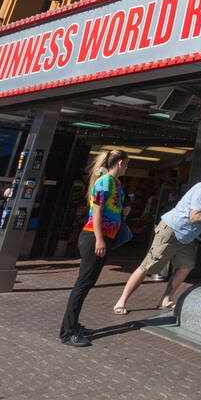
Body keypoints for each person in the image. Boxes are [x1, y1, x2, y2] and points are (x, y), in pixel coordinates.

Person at [113, 165, 201, 314]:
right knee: (147, 266)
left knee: (186, 266)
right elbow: (194, 217)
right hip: (172, 230)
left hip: (188, 236)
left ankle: (165, 299)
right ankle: (121, 301)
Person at [60, 149, 130, 347]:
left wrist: (123, 212)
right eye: (126, 163)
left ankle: (73, 324)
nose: (127, 167)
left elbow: (110, 209)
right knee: (82, 284)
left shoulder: (116, 183)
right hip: (93, 237)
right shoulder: (105, 181)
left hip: (104, 238)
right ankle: (68, 332)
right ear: (120, 163)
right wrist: (99, 239)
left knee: (88, 283)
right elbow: (97, 211)